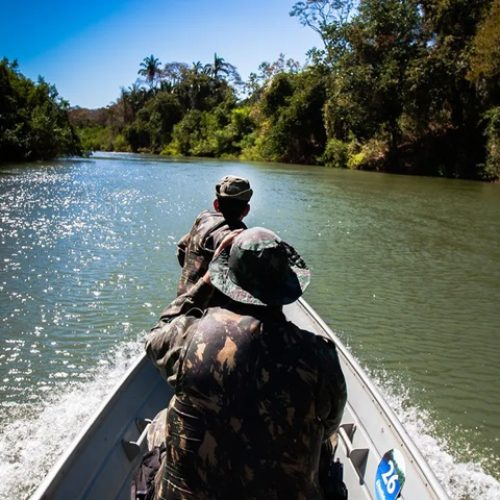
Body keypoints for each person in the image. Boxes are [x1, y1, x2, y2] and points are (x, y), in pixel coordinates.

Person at [146, 227, 347, 500]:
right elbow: (330, 426)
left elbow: (157, 335)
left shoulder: (190, 337)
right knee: (327, 443)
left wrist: (205, 280)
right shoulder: (319, 357)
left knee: (161, 422)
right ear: (285, 287)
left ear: (227, 281)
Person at [176, 175, 253, 296]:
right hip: (207, 310)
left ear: (216, 205)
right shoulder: (238, 238)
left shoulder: (204, 218)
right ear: (246, 210)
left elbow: (181, 249)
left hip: (181, 301)